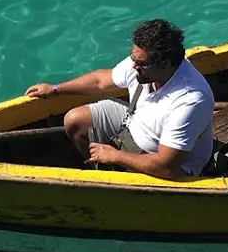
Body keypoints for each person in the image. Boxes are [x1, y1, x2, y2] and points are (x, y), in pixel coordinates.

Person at [24, 19, 214, 179]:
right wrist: (55, 89)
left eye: (140, 63)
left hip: (165, 162)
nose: (133, 67)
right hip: (135, 123)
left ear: (164, 64)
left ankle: (115, 181)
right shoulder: (144, 63)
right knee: (75, 120)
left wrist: (116, 156)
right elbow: (100, 81)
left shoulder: (189, 100)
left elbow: (167, 167)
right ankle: (103, 176)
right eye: (134, 59)